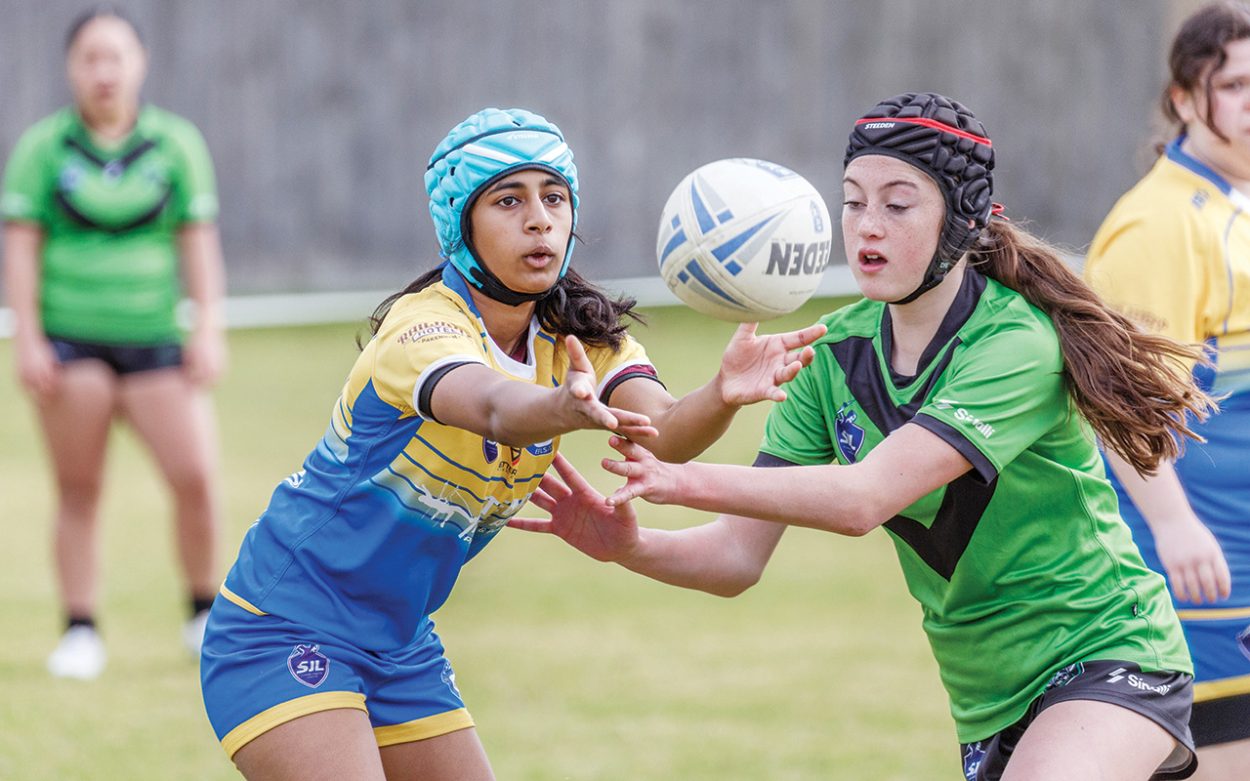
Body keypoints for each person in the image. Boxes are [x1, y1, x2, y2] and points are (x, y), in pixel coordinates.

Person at [512, 92, 1220, 780]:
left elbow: (862, 499)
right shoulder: (834, 355)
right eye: (852, 200)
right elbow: (735, 555)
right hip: (985, 698)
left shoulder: (1013, 341)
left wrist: (679, 479)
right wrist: (630, 545)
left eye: (897, 203)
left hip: (1107, 650)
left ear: (960, 221)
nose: (866, 225)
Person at [197, 106, 824, 780]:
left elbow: (665, 433)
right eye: (508, 199)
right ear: (458, 222)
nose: (539, 219)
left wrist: (721, 394)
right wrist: (563, 406)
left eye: (555, 197)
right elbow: (493, 405)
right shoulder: (423, 328)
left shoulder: (582, 337)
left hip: (400, 641)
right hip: (285, 621)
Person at [1, 6, 225, 680]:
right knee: (78, 487)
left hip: (157, 341)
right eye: (90, 58)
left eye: (116, 56)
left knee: (195, 477)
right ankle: (80, 627)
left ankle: (201, 612)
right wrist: (29, 337)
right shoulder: (43, 148)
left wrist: (208, 326)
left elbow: (199, 242)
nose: (104, 71)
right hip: (72, 344)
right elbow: (21, 247)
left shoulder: (175, 144)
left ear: (140, 63)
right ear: (72, 67)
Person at [1082, 4, 1250, 778]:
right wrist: (1177, 527)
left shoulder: (1231, 205)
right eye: (1238, 86)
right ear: (1184, 97)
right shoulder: (1161, 224)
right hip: (1201, 576)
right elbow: (1120, 407)